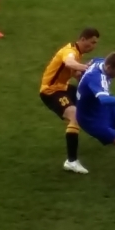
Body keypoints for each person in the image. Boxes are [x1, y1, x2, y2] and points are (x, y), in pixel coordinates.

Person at [39, 28, 101, 174]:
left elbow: (76, 74)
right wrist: (87, 68)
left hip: (63, 87)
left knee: (92, 102)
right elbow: (69, 62)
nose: (93, 46)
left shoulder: (77, 53)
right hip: (51, 91)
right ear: (83, 39)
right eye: (92, 42)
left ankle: (108, 133)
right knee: (75, 116)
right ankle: (71, 161)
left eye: (95, 43)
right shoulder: (70, 51)